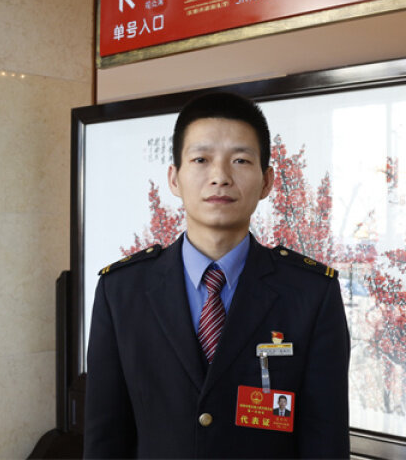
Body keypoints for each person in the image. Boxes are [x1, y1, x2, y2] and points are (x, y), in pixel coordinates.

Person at [84, 92, 350, 459]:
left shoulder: (311, 293)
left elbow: (325, 440)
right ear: (174, 179)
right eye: (201, 159)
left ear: (267, 181)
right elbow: (105, 438)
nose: (220, 177)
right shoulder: (121, 291)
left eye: (240, 160)